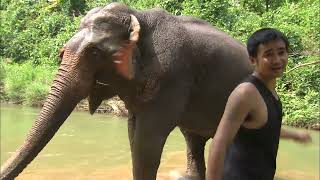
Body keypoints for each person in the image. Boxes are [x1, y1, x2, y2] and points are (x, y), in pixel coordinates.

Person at [206, 28, 312, 180]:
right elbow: (219, 143)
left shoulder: (270, 89)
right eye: (269, 54)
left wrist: (295, 135)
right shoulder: (245, 93)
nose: (277, 60)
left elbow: (264, 128)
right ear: (253, 59)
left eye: (281, 52)